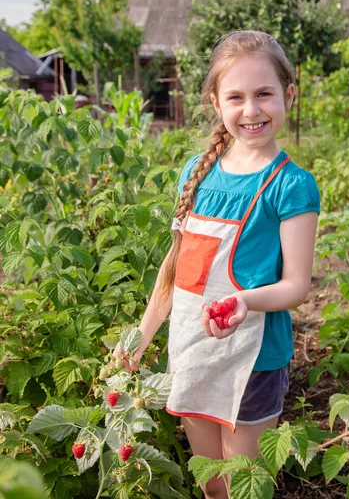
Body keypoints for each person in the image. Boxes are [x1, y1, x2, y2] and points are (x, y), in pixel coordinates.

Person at [114, 30, 320, 499]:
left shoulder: (291, 185)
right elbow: (175, 268)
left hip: (254, 359)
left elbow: (296, 285)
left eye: (264, 94)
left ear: (288, 95)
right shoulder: (196, 171)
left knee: (244, 484)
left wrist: (245, 300)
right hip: (191, 346)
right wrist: (141, 337)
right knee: (212, 484)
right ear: (215, 102)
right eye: (237, 97)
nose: (252, 110)